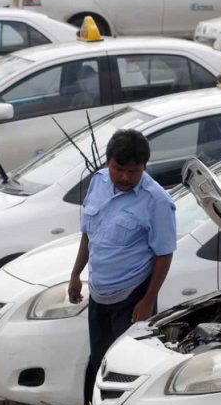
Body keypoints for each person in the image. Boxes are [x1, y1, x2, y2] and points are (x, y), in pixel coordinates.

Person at [69, 129, 176, 390]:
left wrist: (147, 301)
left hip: (132, 299)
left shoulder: (157, 201)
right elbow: (89, 234)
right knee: (100, 365)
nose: (126, 177)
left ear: (144, 167)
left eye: (134, 171)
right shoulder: (98, 182)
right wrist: (75, 274)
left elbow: (164, 254)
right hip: (98, 295)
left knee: (129, 372)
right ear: (108, 163)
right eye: (119, 169)